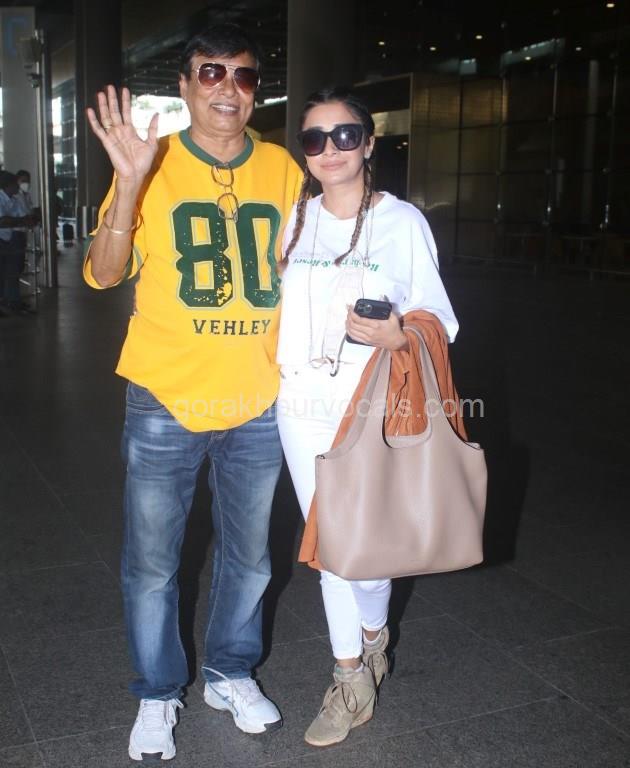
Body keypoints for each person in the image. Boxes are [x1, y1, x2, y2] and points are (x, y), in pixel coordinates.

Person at [83, 23, 303, 762]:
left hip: (258, 397)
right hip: (166, 397)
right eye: (211, 73)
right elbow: (104, 273)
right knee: (153, 562)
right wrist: (128, 185)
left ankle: (229, 672)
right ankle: (156, 690)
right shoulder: (151, 162)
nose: (227, 90)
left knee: (252, 556)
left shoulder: (282, 168)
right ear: (183, 86)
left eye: (243, 76)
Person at [276, 87, 459, 747]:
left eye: (345, 135)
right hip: (299, 404)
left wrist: (397, 334)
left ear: (369, 142)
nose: (330, 150)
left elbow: (442, 319)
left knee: (366, 554)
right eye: (314, 139)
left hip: (368, 405)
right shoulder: (295, 219)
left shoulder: (402, 221)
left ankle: (375, 636)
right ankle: (350, 677)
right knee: (333, 549)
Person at [0, 170, 35, 315]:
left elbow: (23, 217)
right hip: (4, 239)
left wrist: (19, 220)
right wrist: (19, 221)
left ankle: (12, 301)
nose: (18, 186)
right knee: (6, 272)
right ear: (8, 185)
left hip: (8, 239)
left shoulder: (13, 200)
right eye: (16, 183)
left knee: (11, 272)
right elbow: (3, 221)